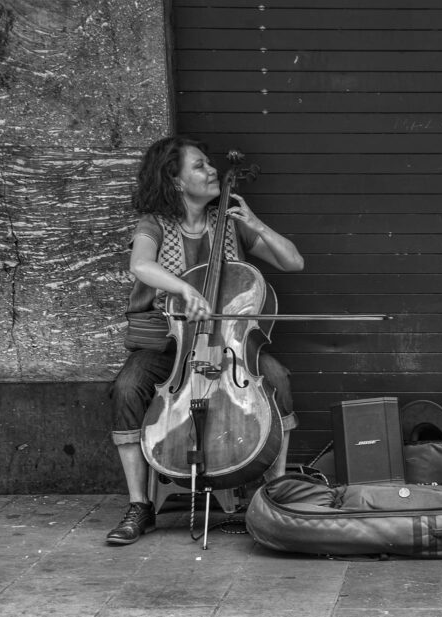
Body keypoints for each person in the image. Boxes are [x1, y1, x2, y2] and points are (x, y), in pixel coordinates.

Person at [106, 136, 305, 545]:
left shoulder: (229, 222)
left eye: (210, 165)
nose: (211, 171)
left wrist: (256, 225)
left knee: (278, 379)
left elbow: (293, 261)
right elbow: (141, 264)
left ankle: (275, 492)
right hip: (168, 346)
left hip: (229, 348)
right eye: (199, 166)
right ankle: (139, 505)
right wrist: (184, 289)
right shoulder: (154, 225)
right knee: (127, 388)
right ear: (175, 180)